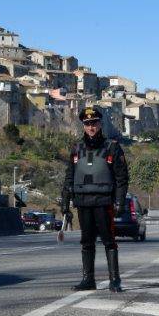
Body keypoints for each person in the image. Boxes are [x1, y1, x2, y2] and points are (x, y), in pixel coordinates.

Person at [62, 106, 129, 292]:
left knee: (109, 240)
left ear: (100, 124)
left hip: (104, 201)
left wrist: (120, 202)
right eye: (87, 124)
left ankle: (115, 279)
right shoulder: (76, 148)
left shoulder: (112, 147)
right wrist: (64, 201)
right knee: (86, 241)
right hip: (83, 201)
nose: (91, 127)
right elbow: (69, 177)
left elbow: (122, 178)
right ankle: (88, 279)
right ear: (83, 126)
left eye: (94, 123)